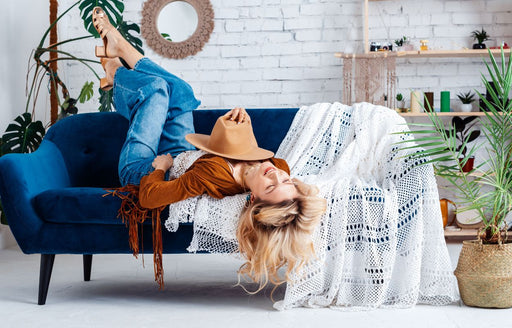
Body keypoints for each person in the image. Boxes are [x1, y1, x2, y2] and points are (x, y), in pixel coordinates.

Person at [92, 7, 326, 292]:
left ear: (252, 198)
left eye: (271, 185)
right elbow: (247, 152)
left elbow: (150, 197)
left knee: (155, 90)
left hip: (142, 169)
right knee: (181, 91)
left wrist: (160, 168)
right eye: (285, 180)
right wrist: (244, 125)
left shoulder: (211, 177)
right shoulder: (280, 167)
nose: (276, 174)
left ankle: (114, 73)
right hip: (181, 151)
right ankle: (120, 47)